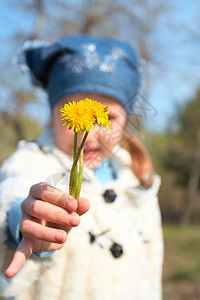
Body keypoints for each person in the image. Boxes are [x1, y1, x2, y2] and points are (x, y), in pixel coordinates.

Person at [0, 36, 163, 300]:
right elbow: (14, 191)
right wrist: (25, 218)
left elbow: (153, 257)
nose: (91, 132)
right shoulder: (32, 161)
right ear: (53, 115)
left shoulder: (135, 176)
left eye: (107, 118)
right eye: (78, 115)